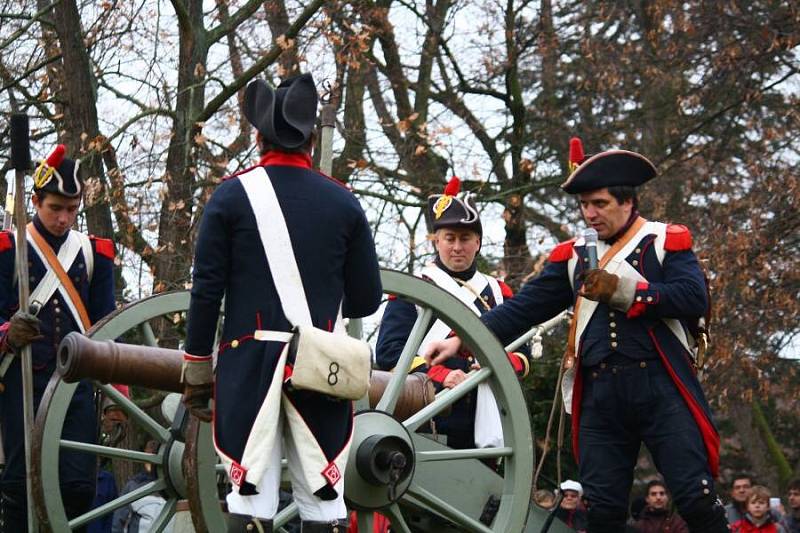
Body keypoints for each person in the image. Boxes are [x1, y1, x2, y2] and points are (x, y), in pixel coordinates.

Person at [424, 139, 729, 532]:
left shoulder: (663, 241)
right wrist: (458, 340)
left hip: (659, 387)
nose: (589, 213)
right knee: (602, 510)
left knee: (696, 497)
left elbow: (692, 297)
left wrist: (625, 292)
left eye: (599, 203)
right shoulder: (573, 256)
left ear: (626, 201)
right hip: (601, 395)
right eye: (584, 204)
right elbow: (524, 308)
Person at [180, 73, 382, 533]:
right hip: (320, 366)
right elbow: (366, 300)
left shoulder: (230, 196)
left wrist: (196, 364)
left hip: (248, 367)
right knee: (323, 501)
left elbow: (207, 290)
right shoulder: (344, 203)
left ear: (258, 136)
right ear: (311, 138)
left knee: (251, 495)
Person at [0, 145, 116, 531]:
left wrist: (117, 391)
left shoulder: (93, 254)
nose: (64, 218)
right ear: (35, 201)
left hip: (75, 384)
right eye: (55, 208)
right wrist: (8, 333)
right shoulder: (9, 248)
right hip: (21, 379)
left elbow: (106, 327)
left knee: (78, 486)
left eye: (71, 209)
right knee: (20, 484)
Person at [376, 177, 530, 450]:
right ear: (437, 241)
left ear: (478, 242)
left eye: (465, 238)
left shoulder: (499, 292)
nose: (457, 246)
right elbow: (390, 352)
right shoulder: (413, 288)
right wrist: (440, 374)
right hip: (433, 410)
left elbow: (523, 356)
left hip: (492, 409)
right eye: (450, 238)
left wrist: (495, 366)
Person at [110, 441, 173, 533]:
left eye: (154, 453)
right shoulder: (133, 486)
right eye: (149, 452)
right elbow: (118, 523)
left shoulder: (176, 487)